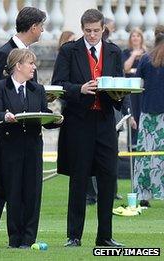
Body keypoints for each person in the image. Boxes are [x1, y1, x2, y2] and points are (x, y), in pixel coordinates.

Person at [52, 9, 126, 247]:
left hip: (105, 121)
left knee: (108, 177)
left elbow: (121, 87)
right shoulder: (68, 51)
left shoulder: (114, 51)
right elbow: (59, 84)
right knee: (79, 179)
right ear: (82, 28)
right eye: (88, 31)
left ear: (103, 28)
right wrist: (79, 89)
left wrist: (117, 94)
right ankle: (74, 236)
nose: (93, 35)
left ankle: (104, 237)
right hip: (78, 122)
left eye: (97, 31)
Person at [0, 6, 46, 248]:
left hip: (28, 137)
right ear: (33, 26)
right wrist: (4, 117)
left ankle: (6, 237)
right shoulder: (5, 54)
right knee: (2, 189)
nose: (43, 31)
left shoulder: (28, 64)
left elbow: (31, 96)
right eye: (41, 26)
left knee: (11, 190)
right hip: (5, 136)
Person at [0, 49, 61, 248]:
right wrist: (5, 116)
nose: (34, 67)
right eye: (31, 63)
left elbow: (44, 115)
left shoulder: (38, 89)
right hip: (10, 148)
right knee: (13, 193)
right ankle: (14, 239)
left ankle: (28, 239)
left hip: (33, 147)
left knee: (32, 193)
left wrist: (57, 120)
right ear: (18, 66)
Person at [133, 28, 164, 207]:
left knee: (145, 155)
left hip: (147, 113)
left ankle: (144, 194)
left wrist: (134, 114)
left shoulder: (145, 59)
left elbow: (136, 88)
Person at [123, 28, 145, 147]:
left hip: (143, 91)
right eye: (133, 36)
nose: (135, 38)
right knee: (132, 118)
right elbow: (125, 68)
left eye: (138, 36)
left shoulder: (147, 54)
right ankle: (132, 146)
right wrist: (133, 55)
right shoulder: (126, 52)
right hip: (130, 91)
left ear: (141, 38)